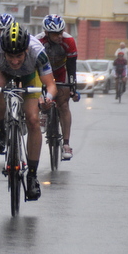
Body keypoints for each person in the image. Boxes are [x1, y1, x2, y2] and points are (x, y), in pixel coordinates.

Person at [0, 22, 56, 200]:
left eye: (19, 55)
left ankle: (32, 176)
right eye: (10, 56)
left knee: (33, 120)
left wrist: (47, 98)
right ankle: (0, 131)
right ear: (2, 50)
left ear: (26, 50)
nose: (14, 61)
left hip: (29, 76)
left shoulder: (37, 51)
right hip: (4, 73)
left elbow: (50, 84)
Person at [35, 14, 80, 160]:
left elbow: (71, 66)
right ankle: (42, 114)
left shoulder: (69, 41)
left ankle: (66, 144)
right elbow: (32, 65)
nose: (60, 36)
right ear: (47, 33)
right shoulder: (38, 41)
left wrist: (72, 86)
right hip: (42, 72)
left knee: (64, 105)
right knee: (39, 97)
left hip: (61, 72)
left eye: (61, 32)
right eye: (56, 34)